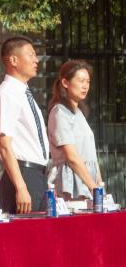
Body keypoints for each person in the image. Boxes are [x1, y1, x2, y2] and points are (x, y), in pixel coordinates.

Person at [0, 37, 50, 214]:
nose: (36, 60)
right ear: (14, 60)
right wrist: (21, 187)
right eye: (31, 55)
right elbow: (4, 145)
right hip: (23, 174)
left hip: (37, 175)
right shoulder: (7, 93)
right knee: (25, 230)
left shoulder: (23, 93)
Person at [47, 60, 102, 202]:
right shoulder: (59, 112)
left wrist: (99, 185)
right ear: (65, 82)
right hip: (70, 184)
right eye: (81, 81)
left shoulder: (79, 113)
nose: (85, 86)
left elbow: (91, 157)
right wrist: (93, 187)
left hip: (88, 183)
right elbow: (71, 156)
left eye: (88, 81)